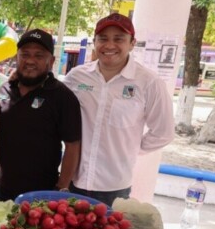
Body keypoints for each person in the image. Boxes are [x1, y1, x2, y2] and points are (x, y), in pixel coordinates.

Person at [63, 13, 174, 206]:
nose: (109, 45)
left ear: (132, 43)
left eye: (119, 39)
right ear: (94, 42)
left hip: (114, 188)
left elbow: (164, 133)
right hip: (74, 181)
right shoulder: (76, 77)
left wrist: (130, 149)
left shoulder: (148, 83)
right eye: (103, 39)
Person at [0, 29, 82, 201]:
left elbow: (73, 146)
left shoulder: (63, 96)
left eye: (39, 55)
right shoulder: (5, 89)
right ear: (16, 58)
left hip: (44, 194)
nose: (30, 61)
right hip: (3, 189)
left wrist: (62, 188)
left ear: (51, 61)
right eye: (25, 54)